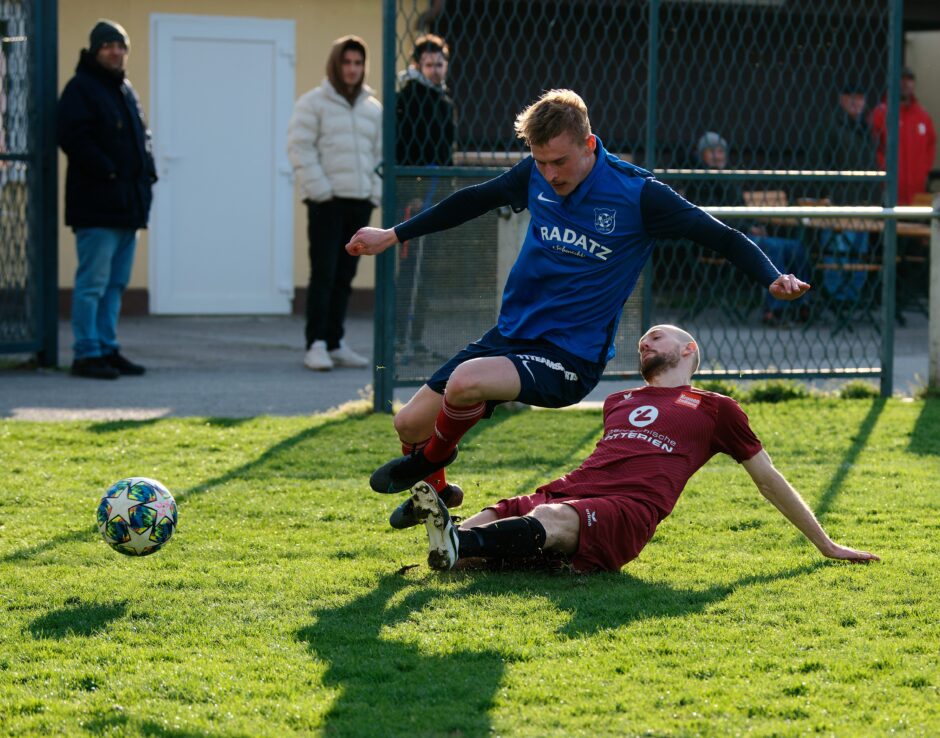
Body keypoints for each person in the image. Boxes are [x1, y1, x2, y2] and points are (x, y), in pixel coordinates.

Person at [346, 90, 809, 530]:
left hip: (570, 357)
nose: (549, 173)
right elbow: (475, 200)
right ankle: (439, 490)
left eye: (560, 161)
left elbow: (722, 236)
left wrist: (772, 277)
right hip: (513, 336)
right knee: (408, 422)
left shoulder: (638, 195)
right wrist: (393, 235)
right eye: (541, 161)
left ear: (589, 144)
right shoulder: (534, 174)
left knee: (466, 384)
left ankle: (430, 461)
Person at [406, 324, 879, 572]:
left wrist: (826, 544)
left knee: (548, 522)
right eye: (643, 338)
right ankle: (465, 543)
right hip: (571, 488)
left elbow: (768, 479)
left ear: (689, 349)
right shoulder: (618, 400)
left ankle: (461, 540)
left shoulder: (716, 408)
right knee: (489, 520)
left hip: (626, 509)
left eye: (658, 334)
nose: (646, 339)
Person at [57, 19, 157, 380]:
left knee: (115, 285)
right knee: (92, 285)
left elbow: (141, 140)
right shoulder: (81, 88)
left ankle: (106, 347)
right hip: (97, 207)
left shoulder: (125, 89)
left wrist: (148, 174)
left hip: (127, 207)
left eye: (120, 45)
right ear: (95, 50)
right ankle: (86, 353)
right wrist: (109, 172)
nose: (115, 51)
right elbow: (72, 136)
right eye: (107, 45)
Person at [287, 35, 382, 372]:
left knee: (345, 276)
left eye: (358, 63)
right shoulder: (313, 103)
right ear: (335, 64)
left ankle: (335, 341)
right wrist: (321, 189)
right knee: (324, 274)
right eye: (347, 62)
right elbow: (300, 147)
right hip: (326, 203)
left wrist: (373, 192)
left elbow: (379, 155)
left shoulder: (374, 109)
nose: (352, 69)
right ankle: (315, 344)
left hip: (360, 203)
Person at [690, 131, 811, 326]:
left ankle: (802, 303)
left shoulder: (728, 177)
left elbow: (740, 210)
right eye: (712, 152)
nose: (717, 156)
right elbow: (712, 217)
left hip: (743, 232)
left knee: (796, 246)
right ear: (702, 154)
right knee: (775, 247)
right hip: (721, 238)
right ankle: (774, 310)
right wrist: (748, 228)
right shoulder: (698, 179)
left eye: (720, 151)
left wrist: (754, 226)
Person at [394, 34, 456, 358]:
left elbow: (445, 152)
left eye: (440, 64)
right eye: (429, 64)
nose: (436, 70)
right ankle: (399, 336)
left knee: (426, 269)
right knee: (408, 266)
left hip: (437, 190)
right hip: (412, 195)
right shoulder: (408, 97)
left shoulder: (444, 102)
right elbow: (403, 149)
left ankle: (415, 337)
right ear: (418, 65)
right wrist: (415, 194)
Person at [870, 66, 937, 206]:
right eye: (902, 79)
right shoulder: (881, 114)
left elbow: (930, 145)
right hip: (889, 192)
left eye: (910, 79)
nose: (906, 83)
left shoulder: (922, 117)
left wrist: (923, 172)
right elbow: (873, 147)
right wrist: (883, 172)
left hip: (916, 193)